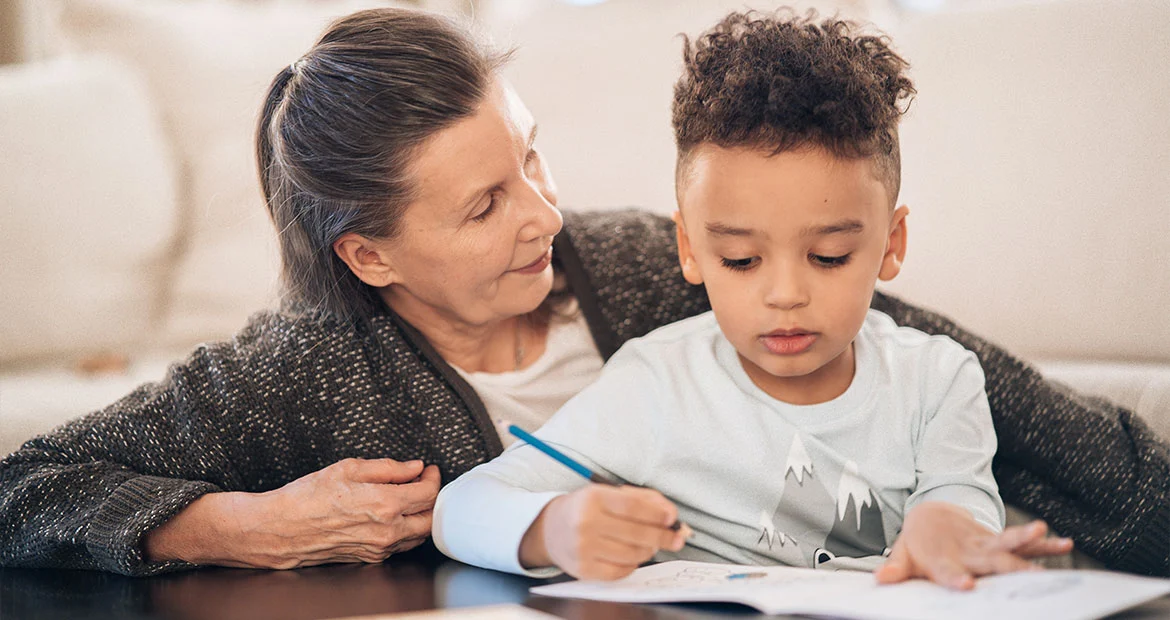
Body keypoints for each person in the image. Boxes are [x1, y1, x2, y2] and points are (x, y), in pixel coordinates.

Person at [0, 7, 1165, 578]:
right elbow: (25, 488)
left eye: (533, 159)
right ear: (372, 257)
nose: (544, 216)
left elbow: (944, 358)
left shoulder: (639, 263)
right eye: (482, 207)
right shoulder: (302, 368)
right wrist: (241, 524)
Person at [431, 11, 1074, 590]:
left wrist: (945, 525)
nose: (786, 295)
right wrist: (555, 525)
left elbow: (961, 497)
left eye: (829, 257)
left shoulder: (938, 380)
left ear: (890, 243)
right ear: (689, 249)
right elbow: (460, 508)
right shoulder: (654, 386)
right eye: (740, 260)